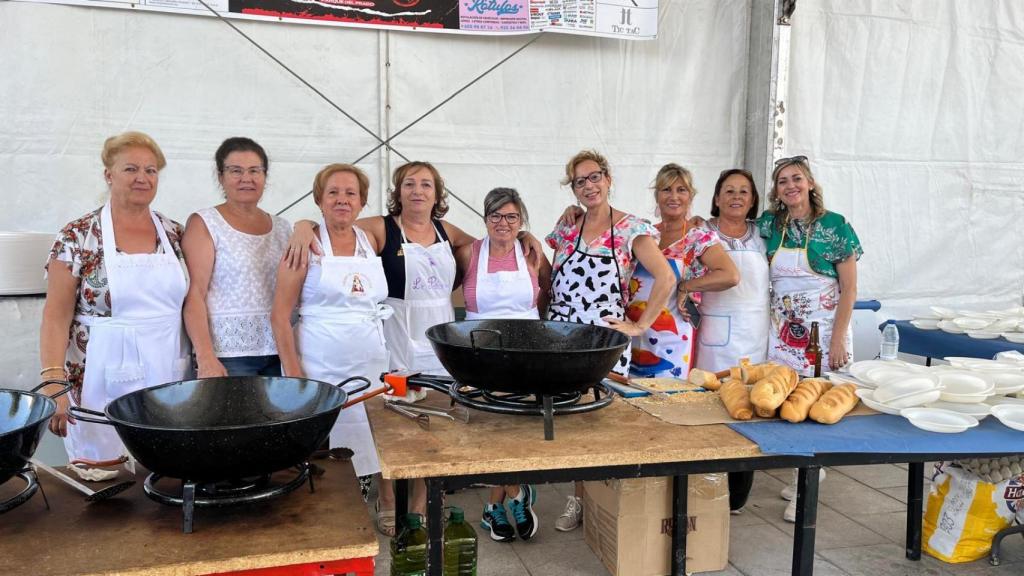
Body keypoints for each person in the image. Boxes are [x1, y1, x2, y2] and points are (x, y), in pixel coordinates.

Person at [38, 131, 191, 475]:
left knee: (167, 472)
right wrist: (53, 381)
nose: (142, 178)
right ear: (109, 174)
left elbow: (193, 304)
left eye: (151, 171)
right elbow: (55, 316)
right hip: (98, 376)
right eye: (131, 169)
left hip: (168, 371)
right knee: (105, 479)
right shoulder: (77, 235)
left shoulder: (174, 233)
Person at [546, 150, 675, 531]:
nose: (589, 186)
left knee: (598, 424)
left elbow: (666, 279)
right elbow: (550, 276)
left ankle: (607, 501)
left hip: (602, 341)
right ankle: (579, 498)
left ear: (608, 179)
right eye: (580, 181)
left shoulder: (632, 227)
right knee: (567, 421)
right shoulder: (567, 226)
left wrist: (640, 326)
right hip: (560, 336)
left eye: (594, 177)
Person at [271, 163, 390, 511]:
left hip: (369, 356)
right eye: (333, 193)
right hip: (319, 359)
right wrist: (294, 372)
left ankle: (385, 501)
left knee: (377, 430)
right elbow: (279, 316)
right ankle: (326, 512)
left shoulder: (369, 239)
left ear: (362, 202)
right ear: (319, 200)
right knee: (320, 438)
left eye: (350, 193)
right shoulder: (306, 245)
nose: (342, 200)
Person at [760, 156, 862, 522]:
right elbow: (730, 228)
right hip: (785, 331)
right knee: (786, 402)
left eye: (797, 179)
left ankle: (808, 483)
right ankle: (798, 472)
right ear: (776, 191)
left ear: (811, 183)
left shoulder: (835, 227)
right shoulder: (770, 225)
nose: (790, 186)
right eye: (782, 181)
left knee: (815, 407)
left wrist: (837, 341)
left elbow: (849, 289)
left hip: (823, 332)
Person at [454, 187, 551, 543]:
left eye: (511, 216)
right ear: (484, 218)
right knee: (491, 432)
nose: (503, 223)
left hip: (525, 355)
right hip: (482, 356)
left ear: (521, 220)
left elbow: (547, 291)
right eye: (495, 215)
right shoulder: (468, 253)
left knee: (517, 432)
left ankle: (494, 506)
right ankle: (515, 493)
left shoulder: (532, 252)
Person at [182, 137, 291, 377]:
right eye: (235, 171)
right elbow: (194, 294)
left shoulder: (283, 228)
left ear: (265, 177)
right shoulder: (205, 223)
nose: (246, 179)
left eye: (254, 171)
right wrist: (205, 356)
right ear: (221, 177)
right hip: (228, 356)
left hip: (280, 351)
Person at [694, 168, 769, 514]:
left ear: (753, 200)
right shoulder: (699, 231)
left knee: (747, 408)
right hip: (714, 333)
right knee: (710, 408)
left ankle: (738, 489)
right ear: (716, 198)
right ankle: (705, 481)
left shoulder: (765, 234)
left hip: (755, 334)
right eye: (729, 191)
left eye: (743, 191)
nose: (736, 197)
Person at [626, 164, 738, 378]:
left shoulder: (697, 237)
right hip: (634, 331)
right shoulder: (643, 233)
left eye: (681, 190)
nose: (674, 196)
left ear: (691, 196)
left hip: (673, 336)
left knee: (668, 401)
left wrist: (686, 286)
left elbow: (729, 275)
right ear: (657, 195)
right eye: (666, 189)